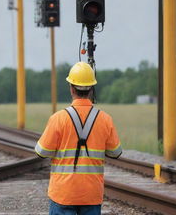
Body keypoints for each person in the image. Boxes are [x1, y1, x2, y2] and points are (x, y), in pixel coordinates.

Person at [35, 62, 122, 215]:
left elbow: (41, 151)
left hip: (63, 194)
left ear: (71, 88)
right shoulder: (105, 119)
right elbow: (116, 152)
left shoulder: (58, 119)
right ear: (91, 89)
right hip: (91, 194)